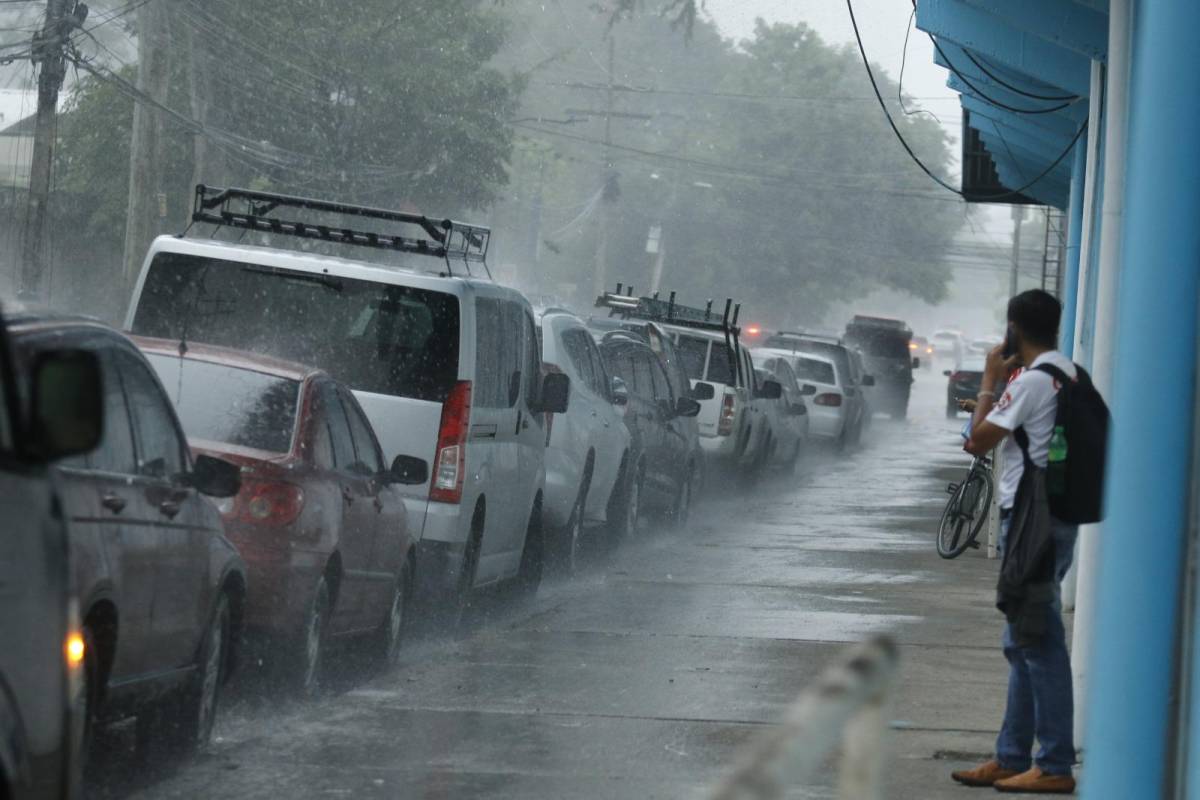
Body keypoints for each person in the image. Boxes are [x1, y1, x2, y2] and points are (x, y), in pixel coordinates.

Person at [950, 290, 1079, 795]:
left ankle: (1052, 764)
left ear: (1013, 329)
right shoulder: (1069, 373)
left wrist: (988, 381)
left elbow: (977, 440)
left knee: (1039, 642)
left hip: (1031, 521)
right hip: (1053, 518)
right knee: (1021, 639)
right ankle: (1011, 755)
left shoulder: (1030, 382)